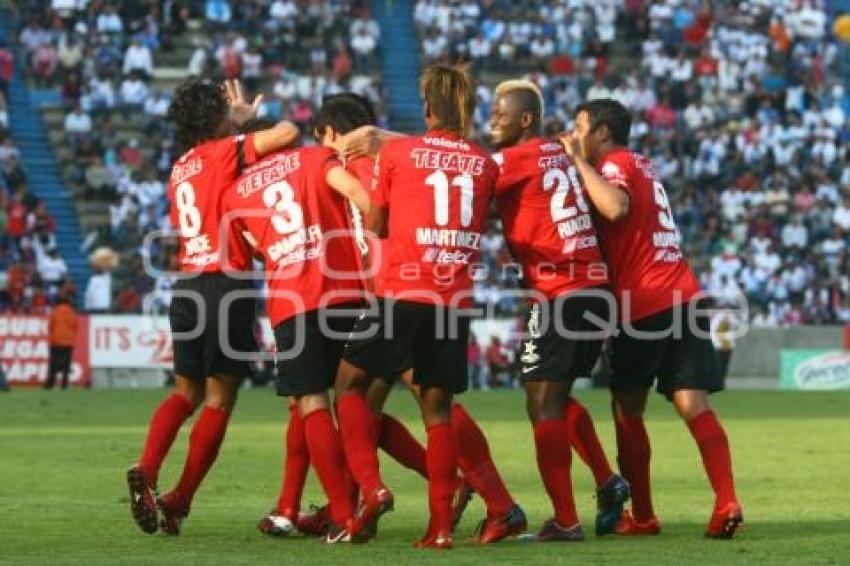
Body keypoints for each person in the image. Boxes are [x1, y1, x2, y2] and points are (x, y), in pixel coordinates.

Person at [304, 93, 524, 544]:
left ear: (333, 133)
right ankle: (486, 502)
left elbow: (376, 220)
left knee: (359, 398)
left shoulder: (367, 164)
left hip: (398, 291)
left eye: (322, 137)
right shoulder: (416, 158)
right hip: (437, 292)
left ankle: (364, 498)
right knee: (420, 403)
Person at [126, 78, 300, 536]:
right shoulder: (225, 151)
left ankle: (147, 467)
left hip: (187, 287)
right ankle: (180, 497)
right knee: (221, 398)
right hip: (229, 285)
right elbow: (286, 133)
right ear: (216, 117)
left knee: (185, 393)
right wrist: (241, 126)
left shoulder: (179, 168)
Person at [563, 99, 743, 539]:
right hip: (684, 293)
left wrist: (572, 162)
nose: (574, 133)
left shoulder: (614, 164)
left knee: (627, 407)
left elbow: (616, 207)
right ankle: (726, 500)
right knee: (694, 405)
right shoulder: (645, 163)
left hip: (644, 301)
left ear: (602, 132)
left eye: (580, 126)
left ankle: (642, 515)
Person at [489, 80, 628, 541]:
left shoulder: (512, 159)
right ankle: (608, 480)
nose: (492, 121)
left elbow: (465, 182)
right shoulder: (555, 151)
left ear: (525, 119)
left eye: (499, 114)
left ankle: (566, 520)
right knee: (553, 394)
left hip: (562, 290)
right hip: (593, 286)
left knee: (542, 403)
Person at [222, 116, 371, 543]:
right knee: (358, 398)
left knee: (312, 404)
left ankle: (343, 517)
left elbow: (251, 251)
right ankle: (378, 491)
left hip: (293, 300)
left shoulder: (236, 192)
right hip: (346, 292)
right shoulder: (314, 157)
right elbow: (356, 193)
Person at [45, 295, 78, 390]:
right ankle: (64, 384)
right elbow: (75, 326)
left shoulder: (55, 312)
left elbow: (50, 326)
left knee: (53, 364)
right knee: (66, 364)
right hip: (68, 342)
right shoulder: (72, 312)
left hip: (56, 341)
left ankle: (50, 384)